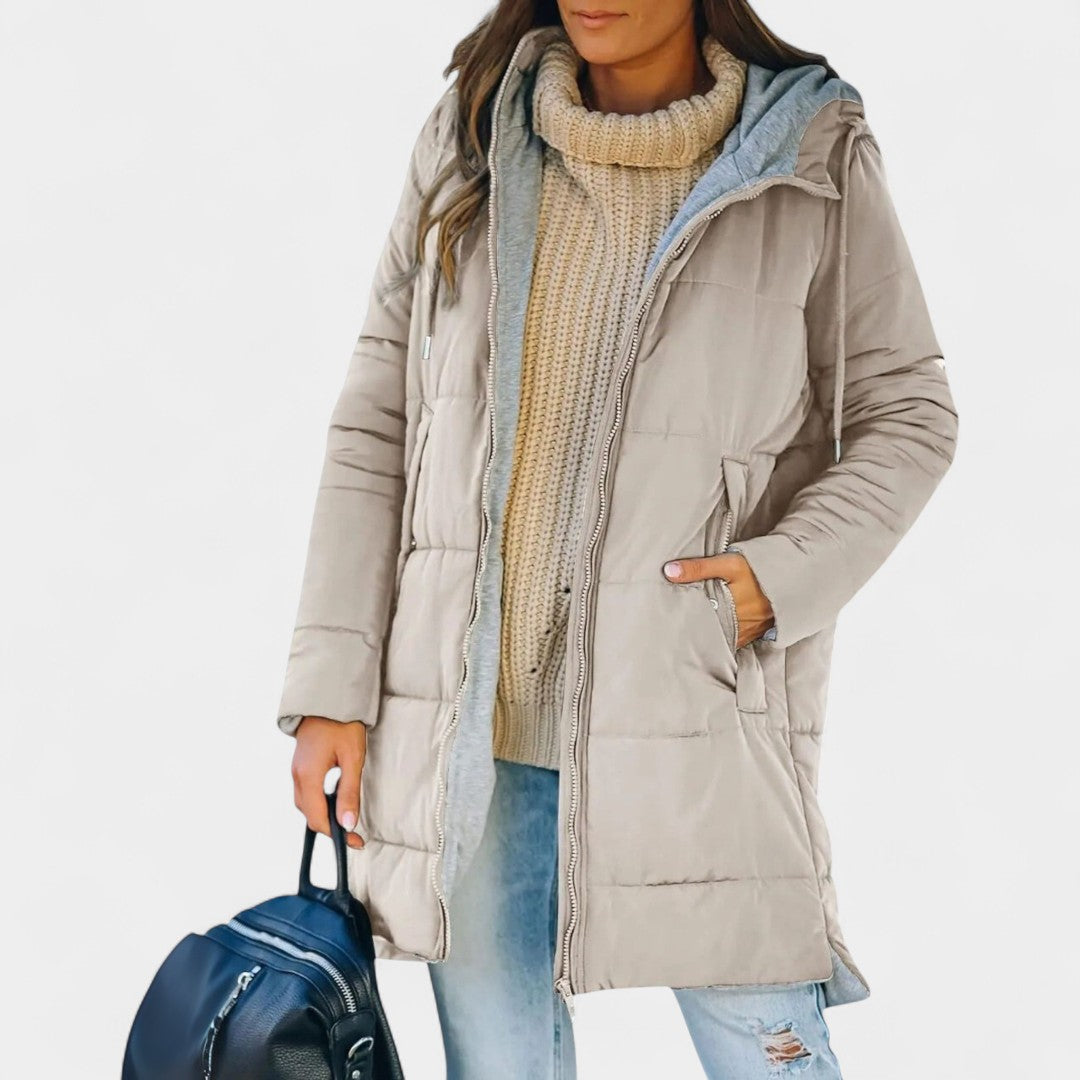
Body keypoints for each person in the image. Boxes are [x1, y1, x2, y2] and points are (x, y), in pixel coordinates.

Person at [280, 2, 958, 1076]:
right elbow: (378, 426)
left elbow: (908, 416)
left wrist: (767, 584)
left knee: (770, 1058)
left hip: (693, 719)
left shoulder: (808, 155)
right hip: (471, 738)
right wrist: (333, 688)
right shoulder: (473, 135)